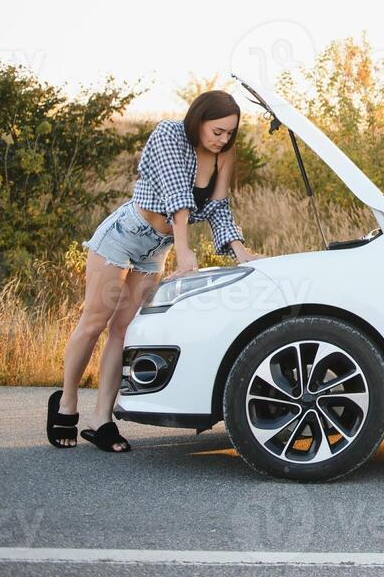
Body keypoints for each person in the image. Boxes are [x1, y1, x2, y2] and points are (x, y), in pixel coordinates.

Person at [45, 90, 260, 452]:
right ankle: (66, 403)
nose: (223, 140)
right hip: (123, 237)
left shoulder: (223, 156)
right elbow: (177, 195)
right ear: (199, 119)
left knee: (123, 330)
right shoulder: (169, 135)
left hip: (154, 250)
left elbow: (221, 209)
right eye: (217, 131)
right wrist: (184, 249)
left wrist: (242, 253)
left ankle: (102, 420)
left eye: (229, 134)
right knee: (95, 322)